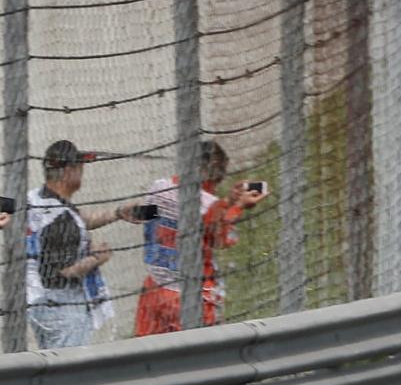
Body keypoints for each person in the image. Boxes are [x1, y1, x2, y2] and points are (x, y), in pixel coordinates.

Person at [134, 140, 268, 336]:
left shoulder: (158, 187)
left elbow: (148, 217)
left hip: (154, 289)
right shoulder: (208, 204)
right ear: (212, 171)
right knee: (203, 352)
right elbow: (223, 240)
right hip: (192, 297)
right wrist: (238, 206)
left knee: (147, 351)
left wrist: (227, 202)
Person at [24, 140, 145, 348]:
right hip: (64, 308)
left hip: (38, 300)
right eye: (80, 168)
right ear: (68, 172)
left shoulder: (38, 199)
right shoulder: (61, 220)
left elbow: (78, 219)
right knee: (70, 366)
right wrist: (97, 258)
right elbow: (64, 271)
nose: (82, 173)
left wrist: (117, 213)